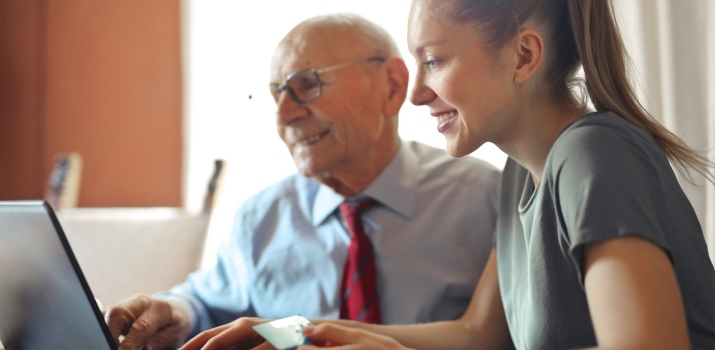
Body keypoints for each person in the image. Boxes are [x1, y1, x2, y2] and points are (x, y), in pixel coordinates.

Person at [179, 0, 715, 349]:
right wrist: (291, 332)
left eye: (435, 61)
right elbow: (475, 334)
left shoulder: (594, 156)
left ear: (522, 57)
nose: (417, 94)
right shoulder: (521, 175)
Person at [103, 13, 502, 350]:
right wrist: (175, 311)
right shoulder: (260, 218)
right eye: (277, 94)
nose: (283, 115)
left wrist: (290, 332)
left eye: (306, 85)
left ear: (392, 86)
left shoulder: (489, 200)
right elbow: (205, 302)